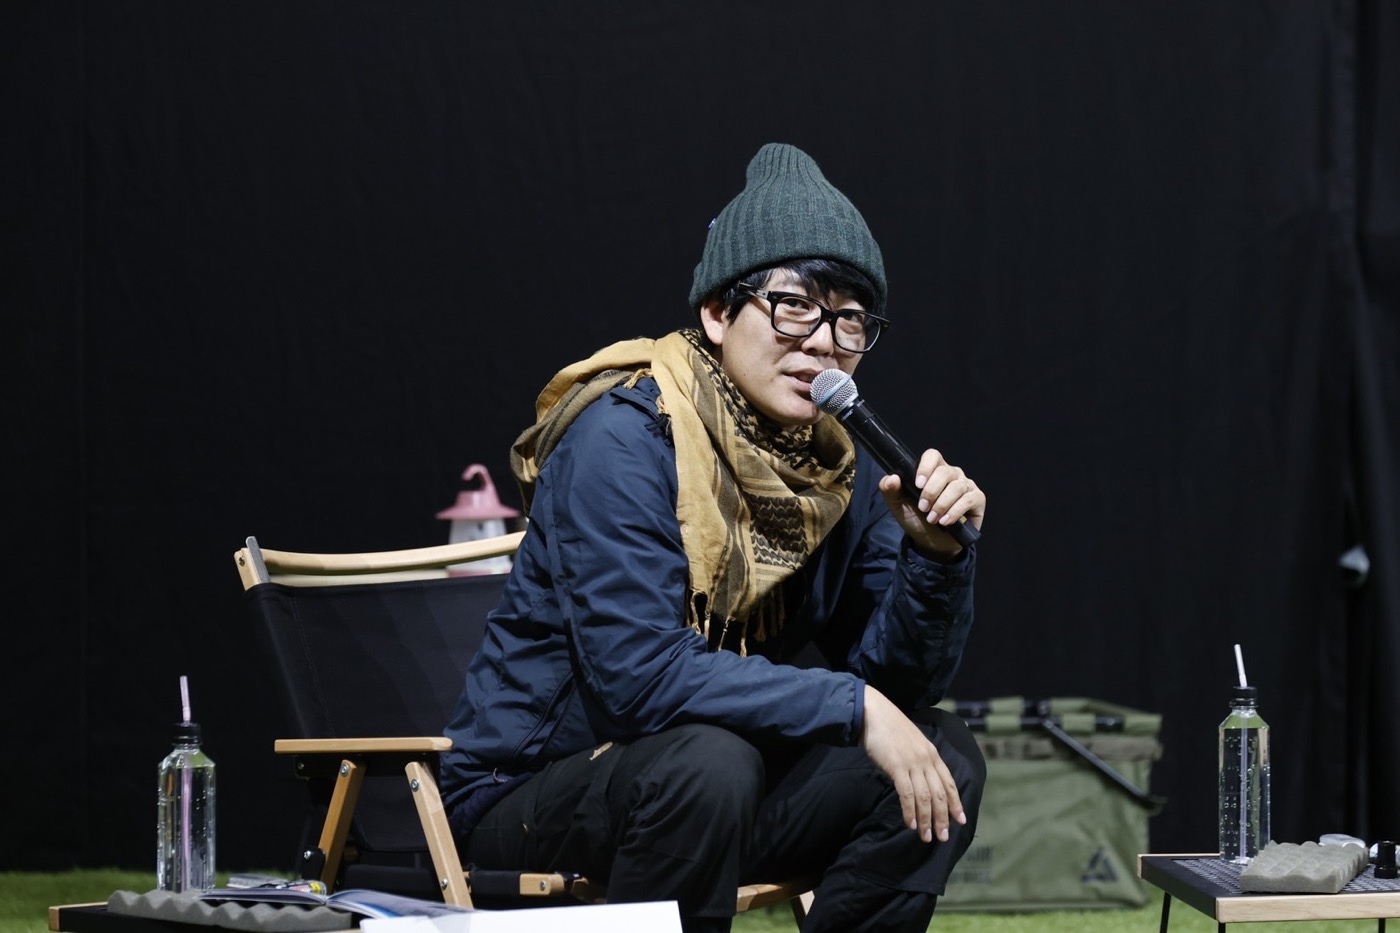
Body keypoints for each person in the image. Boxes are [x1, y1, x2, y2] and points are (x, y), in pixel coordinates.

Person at [440, 142, 987, 933]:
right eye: (794, 305)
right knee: (708, 760)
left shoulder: (841, 467)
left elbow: (897, 687)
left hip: (718, 778)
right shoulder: (623, 440)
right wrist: (852, 703)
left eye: (850, 319)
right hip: (530, 793)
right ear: (718, 313)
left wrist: (936, 561)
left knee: (944, 755)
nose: (824, 341)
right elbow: (637, 678)